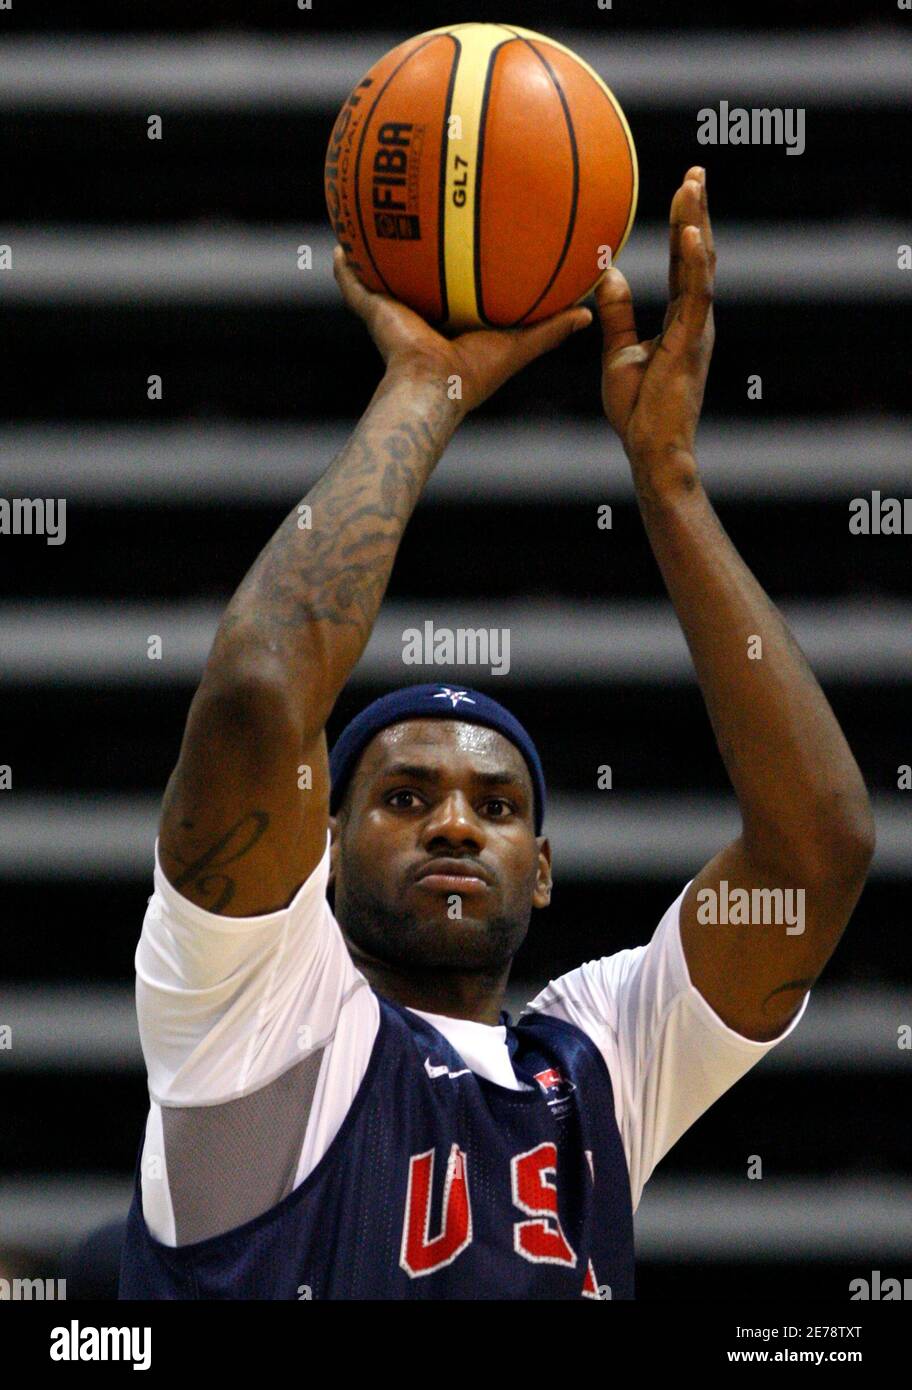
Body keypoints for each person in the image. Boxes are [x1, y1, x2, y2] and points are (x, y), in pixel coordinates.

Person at [119, 167, 874, 1299]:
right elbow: (256, 701)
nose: (458, 825)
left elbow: (818, 851)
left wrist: (669, 482)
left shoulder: (597, 1058)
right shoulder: (253, 1003)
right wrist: (425, 387)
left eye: (498, 806)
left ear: (546, 869)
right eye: (406, 797)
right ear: (320, 844)